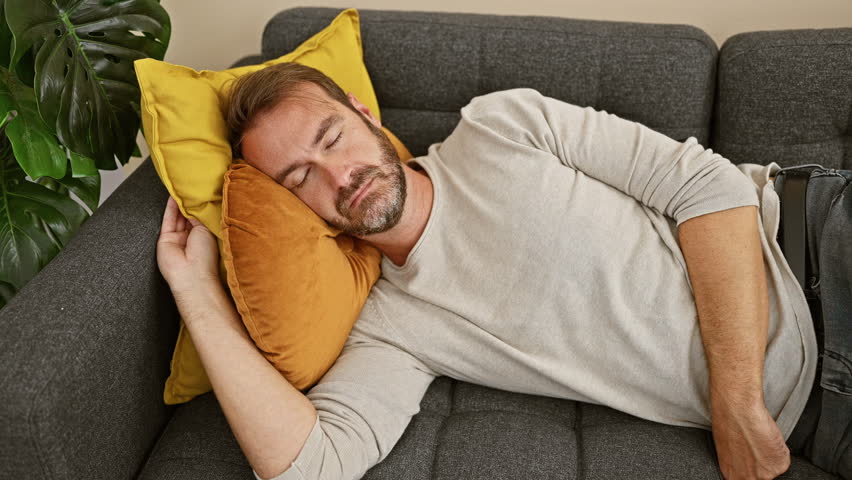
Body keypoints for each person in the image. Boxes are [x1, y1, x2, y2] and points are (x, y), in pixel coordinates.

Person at [156, 62, 822, 480]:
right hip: (817, 410)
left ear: (364, 114)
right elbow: (311, 466)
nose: (339, 176)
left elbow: (709, 187)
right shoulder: (391, 328)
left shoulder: (498, 126)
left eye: (332, 139)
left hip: (809, 234)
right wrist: (196, 293)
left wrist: (738, 404)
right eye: (300, 178)